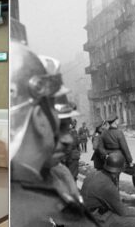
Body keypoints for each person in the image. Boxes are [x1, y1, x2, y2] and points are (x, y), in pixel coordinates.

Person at [10, 42, 96, 227]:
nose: (67, 139)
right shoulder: (33, 202)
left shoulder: (56, 176)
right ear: (40, 118)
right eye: (60, 125)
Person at [81, 152, 135, 227]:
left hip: (84, 213)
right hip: (95, 218)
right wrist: (134, 212)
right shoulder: (108, 186)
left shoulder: (93, 174)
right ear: (119, 171)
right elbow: (122, 211)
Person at [100, 113, 135, 201]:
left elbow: (100, 148)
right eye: (117, 120)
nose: (118, 121)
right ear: (115, 122)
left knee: (115, 178)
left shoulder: (104, 133)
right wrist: (130, 161)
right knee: (134, 172)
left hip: (111, 160)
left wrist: (107, 154)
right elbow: (124, 148)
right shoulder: (119, 133)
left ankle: (115, 199)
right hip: (121, 159)